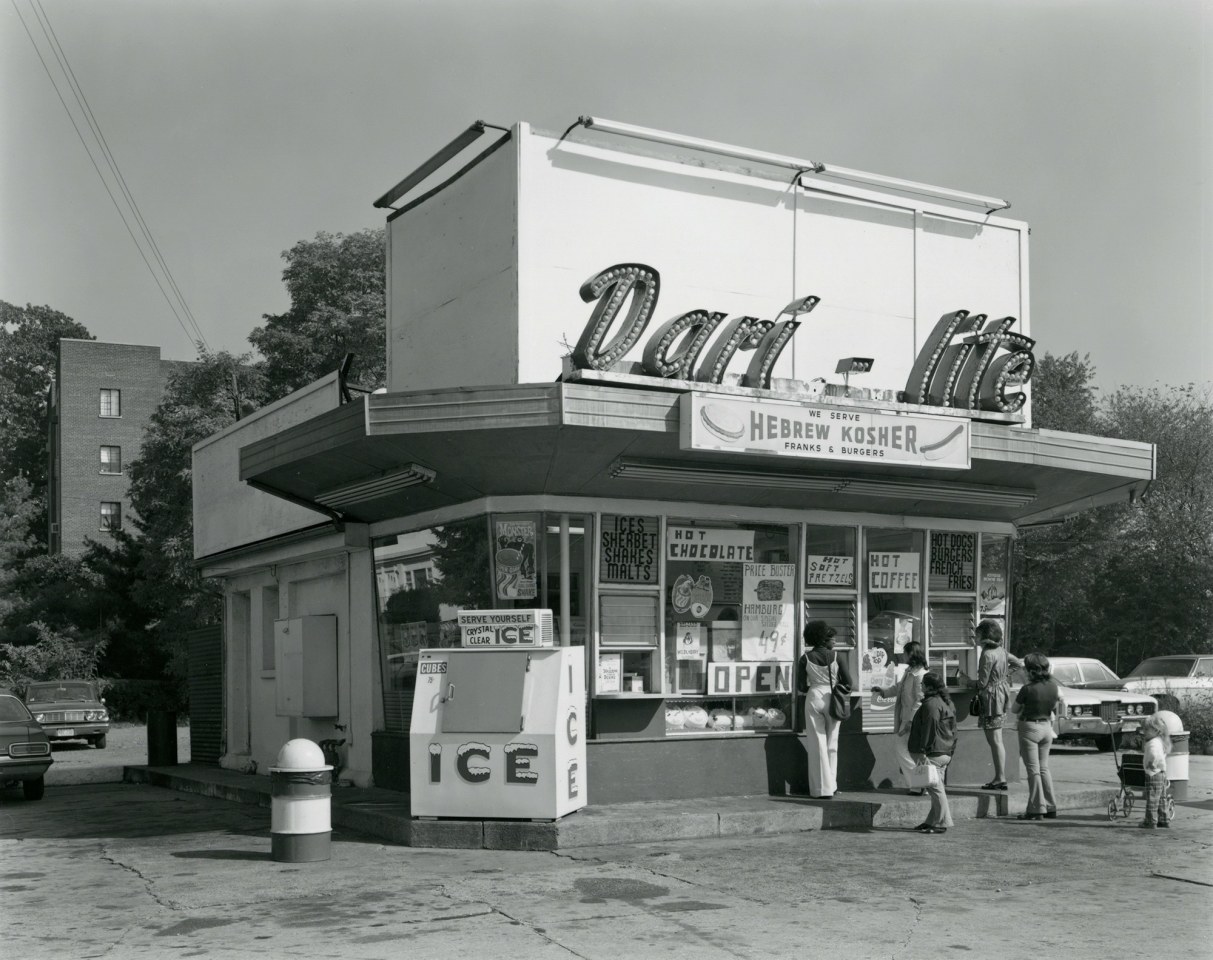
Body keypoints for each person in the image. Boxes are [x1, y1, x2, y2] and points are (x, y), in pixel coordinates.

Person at [800, 620, 852, 799]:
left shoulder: (805, 658)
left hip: (814, 696)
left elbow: (801, 686)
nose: (834, 640)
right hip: (833, 697)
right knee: (832, 743)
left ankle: (820, 789)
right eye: (831, 637)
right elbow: (848, 682)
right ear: (823, 638)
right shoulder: (838, 656)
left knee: (817, 744)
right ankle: (833, 785)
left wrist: (813, 686)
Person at [968, 619, 1022, 790]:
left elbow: (982, 683)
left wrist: (966, 681)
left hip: (991, 700)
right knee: (997, 740)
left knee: (995, 741)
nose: (975, 638)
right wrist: (1003, 677)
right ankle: (1000, 777)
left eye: (977, 635)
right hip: (1001, 697)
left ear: (984, 636)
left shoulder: (986, 654)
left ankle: (1000, 778)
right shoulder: (1001, 651)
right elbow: (1018, 663)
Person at [873, 640, 927, 795]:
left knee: (903, 750)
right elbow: (899, 688)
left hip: (912, 720)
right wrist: (883, 692)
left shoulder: (919, 675)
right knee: (910, 752)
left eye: (905, 653)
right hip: (906, 718)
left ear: (911, 654)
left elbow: (920, 699)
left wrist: (911, 721)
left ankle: (919, 784)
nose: (902, 656)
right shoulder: (910, 671)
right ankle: (920, 784)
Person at [1010, 652, 1059, 820]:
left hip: (1029, 727)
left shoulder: (1027, 688)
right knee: (1044, 768)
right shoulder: (1053, 686)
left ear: (1031, 671)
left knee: (1033, 770)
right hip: (1047, 728)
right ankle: (1051, 806)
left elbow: (1014, 709)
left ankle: (1036, 808)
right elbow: (1054, 705)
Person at [908, 672, 956, 834]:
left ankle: (942, 823)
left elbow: (930, 726)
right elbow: (953, 730)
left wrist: (923, 750)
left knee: (936, 790)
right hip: (943, 751)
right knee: (935, 790)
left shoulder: (931, 705)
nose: (920, 686)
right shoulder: (944, 702)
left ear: (929, 687)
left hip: (933, 752)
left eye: (922, 684)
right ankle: (931, 821)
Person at [1137, 714, 1172, 829]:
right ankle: (1164, 819)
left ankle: (1150, 821)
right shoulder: (1160, 741)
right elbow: (1161, 755)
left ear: (1156, 730)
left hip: (1153, 773)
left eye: (1147, 729)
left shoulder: (1153, 742)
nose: (1144, 731)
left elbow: (1154, 754)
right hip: (1161, 773)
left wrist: (1152, 763)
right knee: (1161, 798)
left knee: (1152, 798)